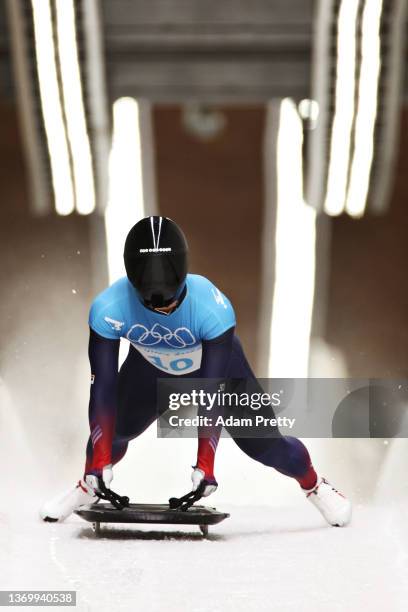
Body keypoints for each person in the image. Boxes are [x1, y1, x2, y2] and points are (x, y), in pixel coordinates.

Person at [40, 216, 351, 527]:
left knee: (266, 446)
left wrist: (206, 466)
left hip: (219, 371)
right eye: (152, 304)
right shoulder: (107, 309)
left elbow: (210, 393)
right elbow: (103, 388)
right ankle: (86, 485)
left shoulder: (214, 309)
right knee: (115, 430)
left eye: (171, 303)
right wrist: (99, 463)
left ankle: (315, 485)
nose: (163, 308)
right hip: (149, 368)